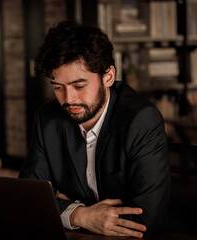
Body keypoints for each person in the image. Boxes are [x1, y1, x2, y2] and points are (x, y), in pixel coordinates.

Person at [19, 21, 170, 238]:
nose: (68, 99)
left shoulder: (141, 120)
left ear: (108, 76)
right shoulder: (47, 119)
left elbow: (144, 220)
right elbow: (27, 199)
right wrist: (80, 215)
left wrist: (61, 204)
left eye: (79, 86)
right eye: (58, 87)